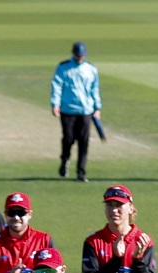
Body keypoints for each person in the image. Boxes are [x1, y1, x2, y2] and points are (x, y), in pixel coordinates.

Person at [81, 185, 157, 273]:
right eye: (109, 205)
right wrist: (116, 259)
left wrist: (138, 260)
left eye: (119, 205)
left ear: (131, 208)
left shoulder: (143, 241)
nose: (114, 210)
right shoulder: (93, 242)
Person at [50, 42, 101, 182]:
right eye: (78, 55)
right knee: (68, 139)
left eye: (82, 55)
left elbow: (94, 89)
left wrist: (97, 107)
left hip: (86, 110)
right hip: (68, 110)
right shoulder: (64, 67)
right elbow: (57, 86)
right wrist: (55, 104)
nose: (80, 58)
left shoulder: (91, 69)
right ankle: (65, 160)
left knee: (83, 141)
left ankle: (81, 172)